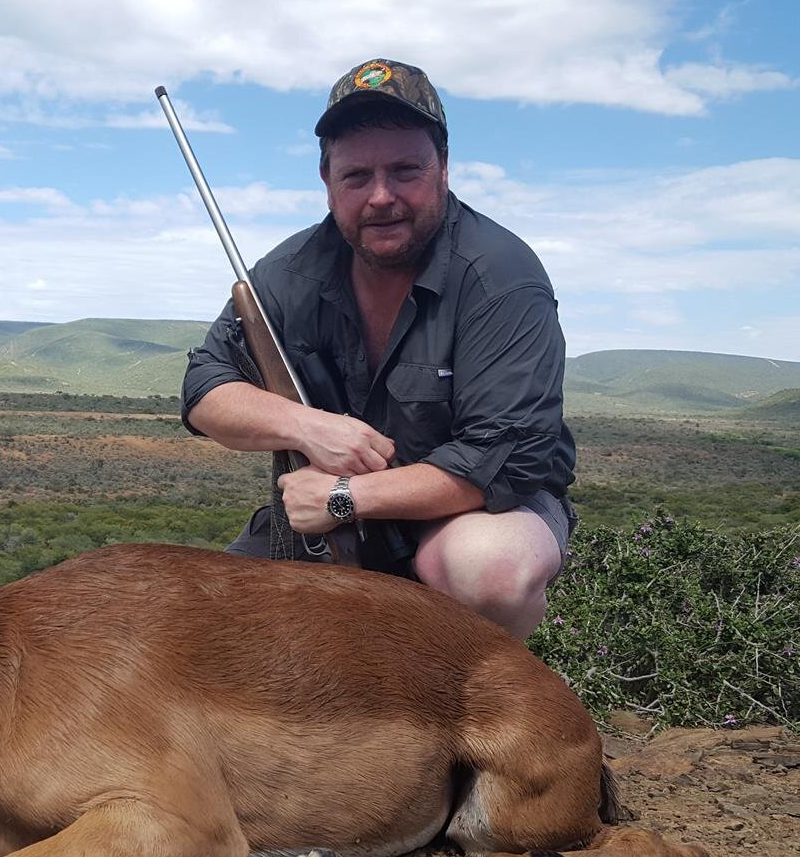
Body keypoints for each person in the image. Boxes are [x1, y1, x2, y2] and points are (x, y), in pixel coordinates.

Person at [180, 57, 576, 640]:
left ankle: (483, 717)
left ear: (442, 168)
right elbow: (204, 390)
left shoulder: (502, 277)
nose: (381, 196)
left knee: (486, 568)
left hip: (472, 513)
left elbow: (500, 464)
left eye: (405, 170)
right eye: (357, 176)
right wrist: (305, 426)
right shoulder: (288, 272)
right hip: (327, 519)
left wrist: (345, 497)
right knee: (194, 626)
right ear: (328, 181)